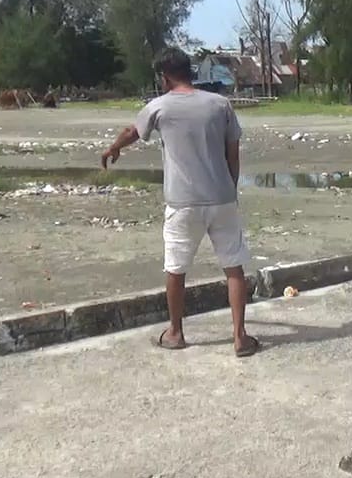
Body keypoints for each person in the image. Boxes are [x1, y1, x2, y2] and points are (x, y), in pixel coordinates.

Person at [100, 47, 259, 357]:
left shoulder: (159, 107)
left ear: (165, 76)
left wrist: (113, 148)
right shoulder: (220, 104)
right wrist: (230, 188)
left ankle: (175, 332)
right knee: (233, 268)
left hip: (183, 203)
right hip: (222, 198)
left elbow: (133, 131)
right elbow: (233, 153)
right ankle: (240, 337)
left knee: (176, 269)